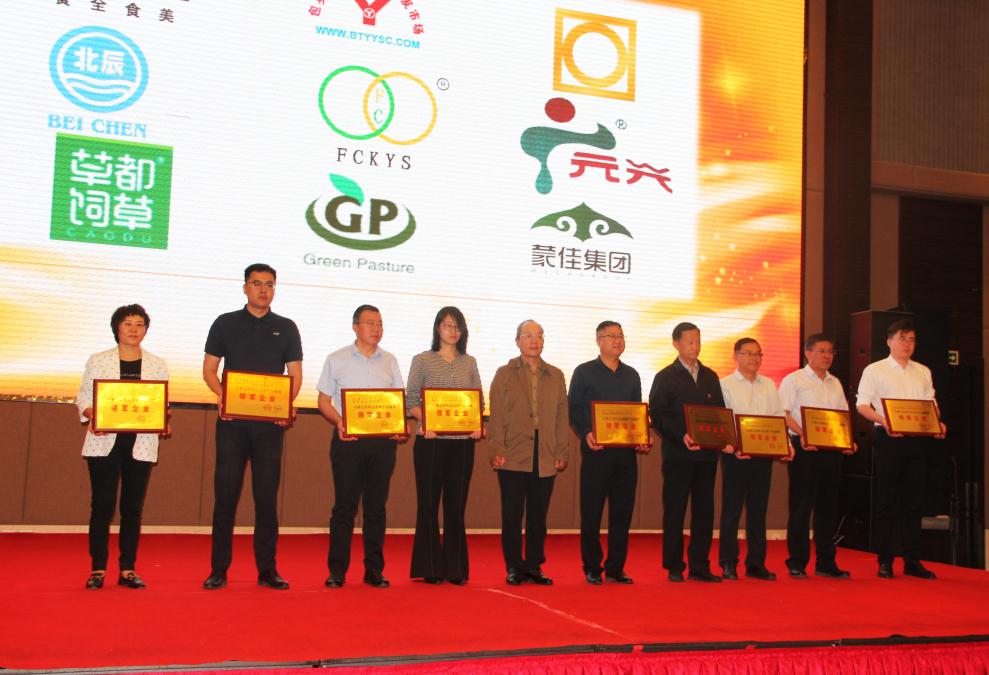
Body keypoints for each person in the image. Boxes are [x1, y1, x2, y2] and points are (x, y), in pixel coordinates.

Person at [202, 264, 303, 590]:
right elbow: (209, 369)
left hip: (269, 426)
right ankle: (218, 569)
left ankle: (267, 569)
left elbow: (295, 374)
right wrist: (223, 397)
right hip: (232, 424)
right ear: (245, 287)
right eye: (257, 283)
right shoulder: (225, 322)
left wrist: (285, 404)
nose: (263, 290)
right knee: (225, 497)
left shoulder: (286, 327)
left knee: (266, 499)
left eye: (269, 284)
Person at [76, 304, 169, 590]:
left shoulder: (157, 364)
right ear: (117, 327)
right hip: (104, 443)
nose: (133, 329)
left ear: (146, 330)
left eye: (140, 324)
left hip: (140, 443)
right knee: (102, 507)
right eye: (128, 323)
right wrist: (92, 414)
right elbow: (83, 398)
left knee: (132, 508)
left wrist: (163, 420)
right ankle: (98, 569)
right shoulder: (98, 360)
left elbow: (160, 402)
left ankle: (127, 569)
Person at [317, 304, 406, 589]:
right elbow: (323, 401)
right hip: (348, 442)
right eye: (370, 323)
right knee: (344, 508)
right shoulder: (336, 359)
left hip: (382, 445)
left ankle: (374, 570)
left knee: (376, 508)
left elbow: (397, 402)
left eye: (380, 323)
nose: (376, 329)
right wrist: (340, 422)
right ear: (355, 326)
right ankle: (337, 570)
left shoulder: (390, 361)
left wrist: (399, 428)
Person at [856, 319, 946, 580]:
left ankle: (912, 560)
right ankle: (885, 560)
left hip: (917, 440)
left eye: (911, 339)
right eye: (902, 338)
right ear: (889, 341)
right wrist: (884, 421)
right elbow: (862, 405)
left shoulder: (923, 371)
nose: (907, 344)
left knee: (914, 501)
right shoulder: (875, 370)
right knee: (887, 501)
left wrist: (937, 422)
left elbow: (931, 404)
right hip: (889, 439)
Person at [405, 307, 484, 585]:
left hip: (462, 445)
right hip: (431, 442)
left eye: (457, 326)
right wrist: (425, 420)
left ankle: (455, 569)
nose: (453, 331)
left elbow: (478, 402)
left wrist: (477, 424)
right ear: (438, 328)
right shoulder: (422, 360)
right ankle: (430, 567)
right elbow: (410, 400)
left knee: (456, 506)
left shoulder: (469, 362)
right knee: (428, 505)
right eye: (447, 325)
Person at [568, 320, 650, 585]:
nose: (618, 340)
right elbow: (574, 409)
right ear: (598, 340)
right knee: (591, 512)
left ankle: (616, 567)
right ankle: (592, 566)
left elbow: (636, 413)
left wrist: (641, 438)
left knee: (622, 513)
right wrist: (586, 433)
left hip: (625, 456)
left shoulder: (632, 375)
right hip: (596, 452)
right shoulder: (584, 372)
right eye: (612, 336)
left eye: (621, 336)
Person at [488, 320, 570, 585]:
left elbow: (562, 417)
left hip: (544, 452)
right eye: (528, 335)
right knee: (512, 515)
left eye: (539, 335)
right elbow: (497, 414)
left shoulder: (556, 375)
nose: (534, 340)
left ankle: (534, 565)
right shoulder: (504, 373)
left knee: (538, 516)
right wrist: (497, 448)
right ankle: (513, 566)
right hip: (513, 452)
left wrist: (562, 450)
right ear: (517, 341)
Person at [648, 322, 726, 583]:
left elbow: (719, 413)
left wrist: (723, 438)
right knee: (675, 510)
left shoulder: (710, 376)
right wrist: (681, 435)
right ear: (676, 344)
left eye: (698, 341)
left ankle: (700, 566)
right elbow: (658, 414)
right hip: (678, 455)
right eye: (690, 341)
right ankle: (674, 565)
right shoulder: (665, 376)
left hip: (706, 455)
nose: (695, 346)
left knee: (704, 511)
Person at [779, 333, 856, 579]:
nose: (827, 356)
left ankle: (826, 562)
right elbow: (783, 413)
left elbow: (842, 417)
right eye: (821, 351)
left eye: (830, 351)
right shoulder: (794, 380)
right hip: (804, 448)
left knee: (828, 507)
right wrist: (804, 435)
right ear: (808, 353)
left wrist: (847, 440)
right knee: (801, 507)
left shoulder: (835, 383)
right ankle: (797, 562)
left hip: (831, 450)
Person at [718, 337, 792, 581]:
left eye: (758, 353)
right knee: (732, 510)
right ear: (736, 356)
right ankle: (728, 562)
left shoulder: (769, 384)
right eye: (748, 353)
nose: (754, 358)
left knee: (758, 511)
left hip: (763, 455)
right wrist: (733, 446)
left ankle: (756, 563)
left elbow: (778, 416)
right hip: (736, 456)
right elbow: (723, 419)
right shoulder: (725, 384)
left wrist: (787, 444)